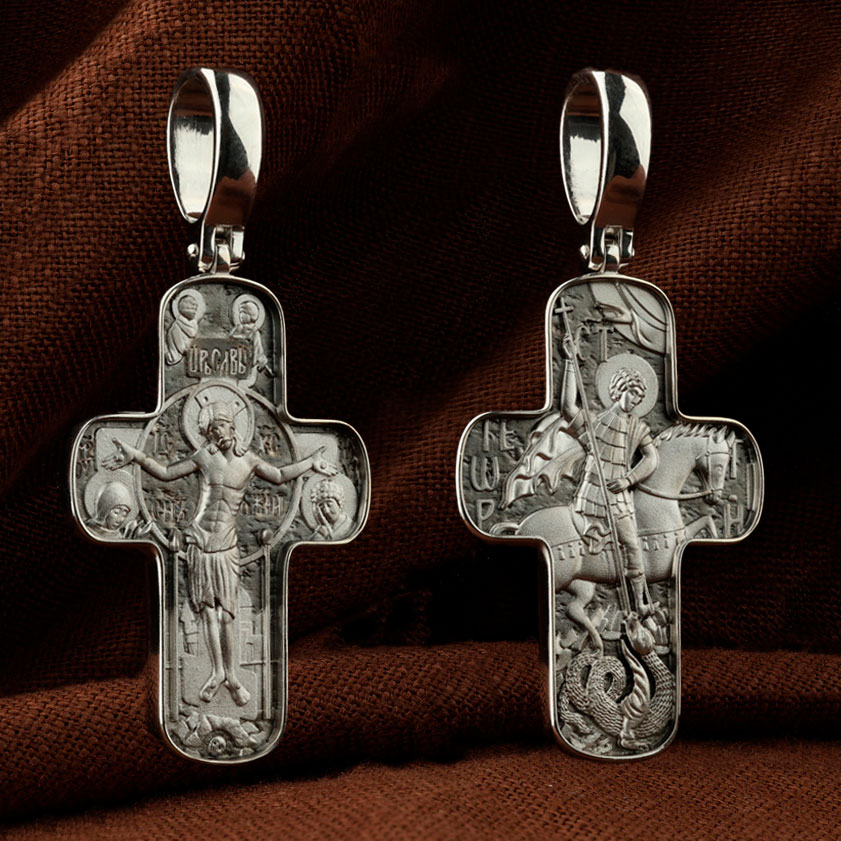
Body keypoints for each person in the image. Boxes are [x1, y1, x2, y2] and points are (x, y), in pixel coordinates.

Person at [104, 400, 336, 705]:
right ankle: (217, 673)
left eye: (221, 426)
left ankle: (233, 676)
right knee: (207, 613)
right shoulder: (205, 457)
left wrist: (310, 463)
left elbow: (280, 475)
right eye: (212, 429)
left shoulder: (249, 461)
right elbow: (166, 472)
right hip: (200, 539)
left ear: (233, 426)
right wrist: (136, 456)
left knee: (227, 614)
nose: (217, 433)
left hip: (226, 543)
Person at [561, 335, 659, 616]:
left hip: (618, 496)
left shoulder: (638, 427)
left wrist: (629, 480)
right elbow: (568, 408)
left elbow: (652, 458)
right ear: (618, 390)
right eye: (632, 393)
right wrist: (569, 361)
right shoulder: (598, 422)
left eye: (640, 397)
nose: (636, 400)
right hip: (592, 492)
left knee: (632, 545)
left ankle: (640, 603)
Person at [165, 292, 200, 365]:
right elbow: (180, 347)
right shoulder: (176, 327)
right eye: (191, 308)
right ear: (182, 309)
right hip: (178, 358)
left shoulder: (194, 325)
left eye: (195, 309)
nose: (194, 311)